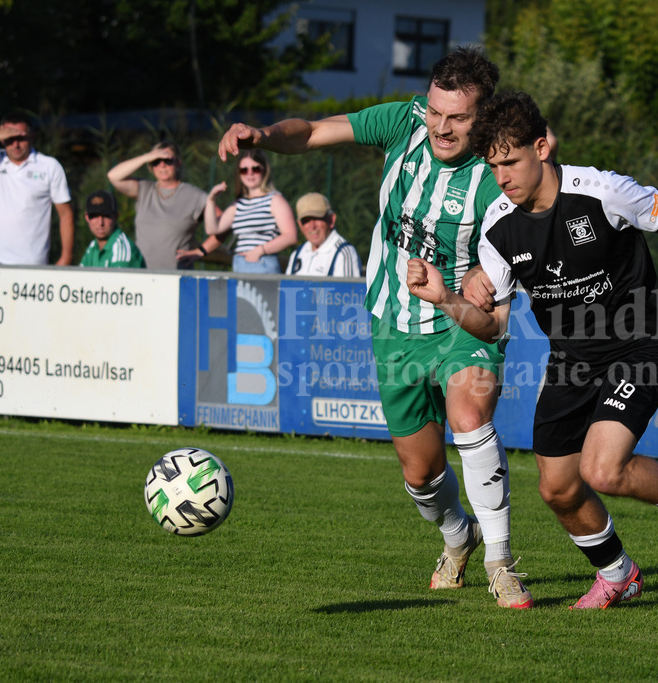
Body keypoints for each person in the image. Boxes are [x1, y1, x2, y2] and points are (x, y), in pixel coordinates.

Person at [407, 90, 658, 609]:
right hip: (570, 362)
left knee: (603, 470)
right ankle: (617, 573)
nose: (503, 177)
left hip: (639, 347)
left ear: (542, 147)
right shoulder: (498, 228)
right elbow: (493, 328)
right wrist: (447, 298)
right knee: (559, 489)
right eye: (494, 166)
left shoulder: (604, 192)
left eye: (511, 161)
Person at [217, 47, 531, 609]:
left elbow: (511, 248)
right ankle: (458, 537)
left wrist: (483, 275)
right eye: (436, 111)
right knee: (421, 474)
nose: (441, 126)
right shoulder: (403, 123)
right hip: (394, 323)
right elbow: (312, 132)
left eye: (457, 118)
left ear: (482, 117)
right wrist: (262, 135)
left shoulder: (496, 170)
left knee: (469, 416)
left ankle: (501, 563)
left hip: (462, 319)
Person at [107, 142, 221, 270]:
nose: (162, 165)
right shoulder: (144, 189)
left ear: (177, 162)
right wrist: (146, 157)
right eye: (156, 161)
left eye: (167, 160)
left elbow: (223, 223)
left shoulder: (193, 195)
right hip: (141, 275)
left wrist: (202, 251)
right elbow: (114, 176)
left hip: (177, 278)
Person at [197, 150, 297, 274]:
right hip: (240, 264)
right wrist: (211, 200)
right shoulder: (238, 204)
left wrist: (260, 251)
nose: (249, 174)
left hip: (264, 263)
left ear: (264, 170)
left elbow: (290, 236)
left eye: (255, 169)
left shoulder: (275, 199)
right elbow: (212, 229)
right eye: (244, 170)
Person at [0, 113, 74, 265]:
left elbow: (66, 214)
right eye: (9, 139)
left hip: (32, 264)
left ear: (32, 137)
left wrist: (66, 257)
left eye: (21, 138)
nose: (16, 144)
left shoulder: (49, 166)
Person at [286, 192, 362, 277]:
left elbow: (348, 289)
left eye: (317, 218)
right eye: (306, 220)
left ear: (331, 220)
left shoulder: (344, 253)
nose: (312, 226)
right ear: (300, 225)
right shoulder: (297, 253)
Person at [78, 190, 145, 268]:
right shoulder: (93, 246)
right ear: (87, 217)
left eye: (106, 216)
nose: (100, 223)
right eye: (94, 216)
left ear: (116, 217)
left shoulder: (121, 251)